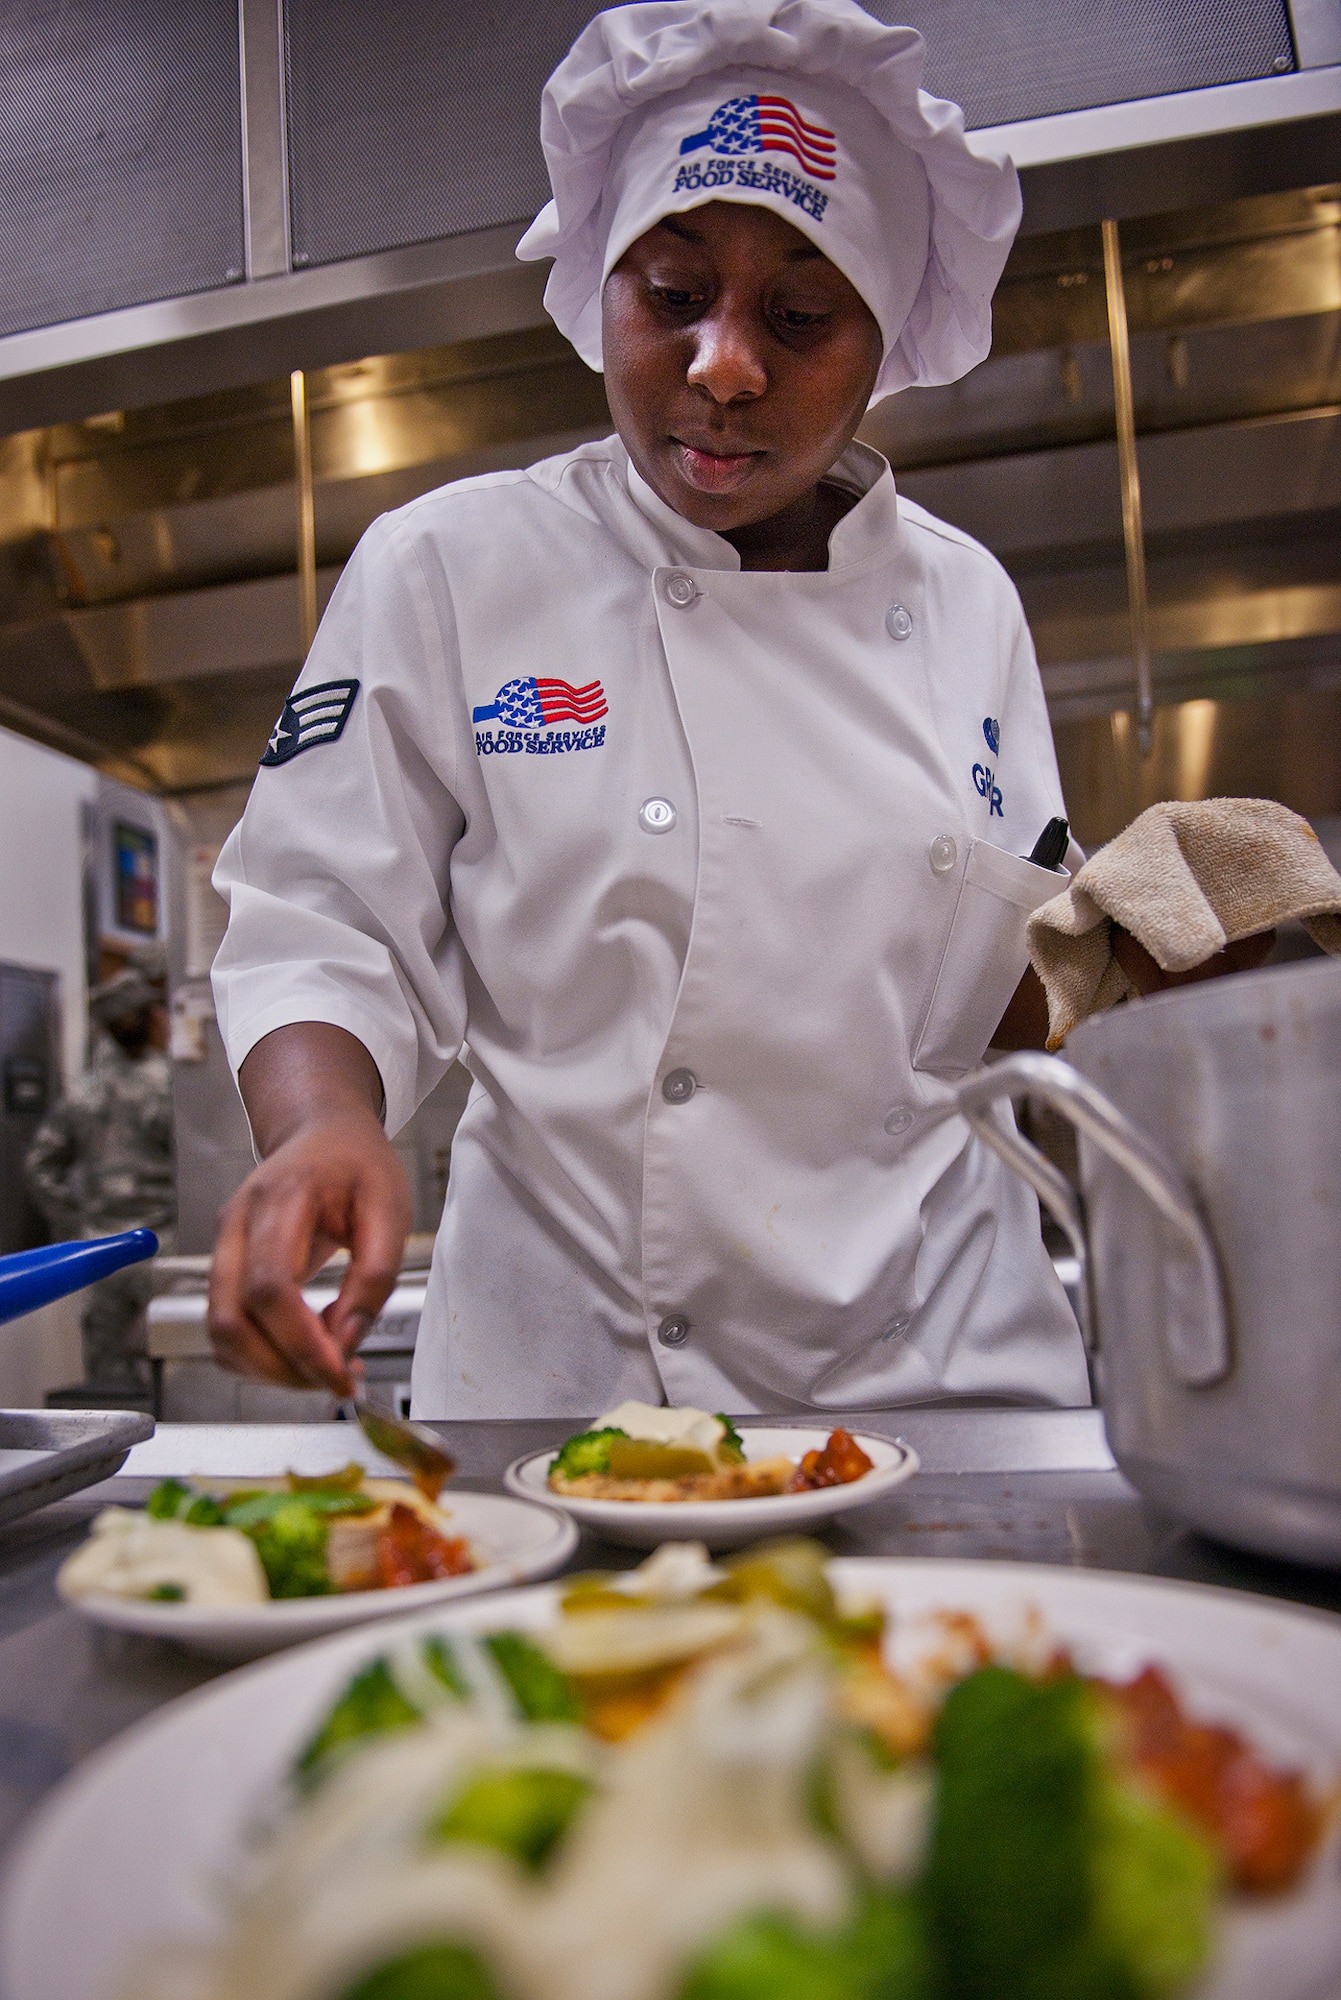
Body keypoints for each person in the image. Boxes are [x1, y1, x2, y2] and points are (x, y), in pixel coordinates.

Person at [204, 1, 1131, 1415]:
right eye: (674, 295)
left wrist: (1149, 969)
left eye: (800, 315)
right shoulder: (453, 567)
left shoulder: (966, 600)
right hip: (580, 1393)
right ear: (602, 293)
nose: (724, 365)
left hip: (945, 1380)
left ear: (883, 338)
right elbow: (321, 921)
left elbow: (985, 1002)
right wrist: (321, 1125)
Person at [26, 960, 175, 1393]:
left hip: (98, 1254)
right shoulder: (170, 1086)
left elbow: (41, 1166)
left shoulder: (84, 1092)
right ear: (149, 1021)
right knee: (177, 1374)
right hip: (162, 1248)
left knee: (108, 1386)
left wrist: (74, 1226)